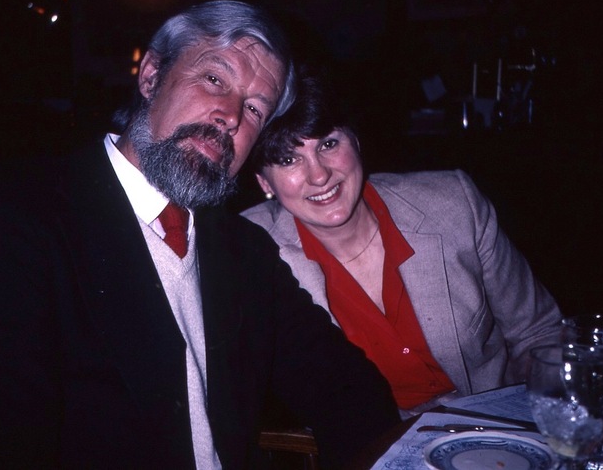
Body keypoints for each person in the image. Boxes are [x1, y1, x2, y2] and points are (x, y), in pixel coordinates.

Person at [0, 1, 399, 469]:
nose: (232, 116)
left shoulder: (245, 251)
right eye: (215, 80)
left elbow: (346, 387)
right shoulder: (11, 219)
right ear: (151, 76)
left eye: (255, 108)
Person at [241, 70, 564, 418]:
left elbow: (538, 332)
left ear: (356, 142)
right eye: (288, 160)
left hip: (495, 424)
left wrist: (538, 418)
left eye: (328, 144)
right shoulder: (249, 249)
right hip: (370, 440)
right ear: (264, 183)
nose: (319, 175)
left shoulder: (454, 205)